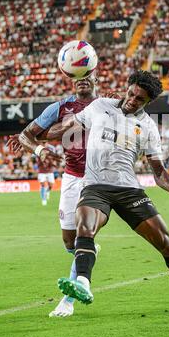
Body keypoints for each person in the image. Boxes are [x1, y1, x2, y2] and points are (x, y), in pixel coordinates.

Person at [39, 71, 169, 312]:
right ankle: (83, 283)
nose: (132, 100)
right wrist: (40, 135)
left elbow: (157, 169)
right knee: (85, 227)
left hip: (129, 190)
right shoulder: (100, 106)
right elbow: (67, 126)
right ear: (127, 88)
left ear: (148, 102)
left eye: (139, 99)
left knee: (165, 243)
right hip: (95, 186)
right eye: (131, 93)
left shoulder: (148, 126)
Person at [8, 75, 100, 318]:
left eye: (87, 76)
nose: (83, 81)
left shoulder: (106, 104)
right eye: (78, 77)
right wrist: (39, 149)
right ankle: (89, 251)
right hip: (71, 178)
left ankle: (68, 301)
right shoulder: (58, 108)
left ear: (96, 78)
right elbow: (26, 135)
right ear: (71, 79)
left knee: (83, 235)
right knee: (70, 242)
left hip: (99, 179)